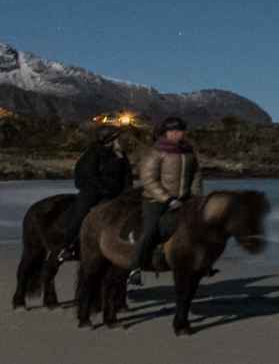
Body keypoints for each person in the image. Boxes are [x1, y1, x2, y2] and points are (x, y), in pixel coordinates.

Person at [130, 117, 202, 285]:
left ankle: (201, 263)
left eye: (179, 130)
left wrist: (196, 197)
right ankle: (136, 268)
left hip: (184, 199)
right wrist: (167, 199)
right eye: (172, 130)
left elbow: (197, 175)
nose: (176, 133)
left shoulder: (188, 152)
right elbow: (148, 179)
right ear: (165, 133)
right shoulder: (155, 152)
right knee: (150, 229)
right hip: (155, 199)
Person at [56, 124, 132, 261]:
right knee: (82, 215)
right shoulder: (93, 154)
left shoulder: (120, 155)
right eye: (117, 138)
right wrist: (103, 189)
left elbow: (127, 175)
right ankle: (67, 245)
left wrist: (128, 192)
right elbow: (90, 175)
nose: (120, 141)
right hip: (93, 191)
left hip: (116, 192)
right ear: (109, 139)